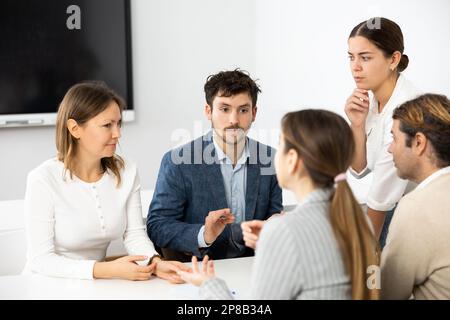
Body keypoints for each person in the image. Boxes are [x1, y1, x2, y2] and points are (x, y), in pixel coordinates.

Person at [177, 109, 380, 299]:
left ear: (292, 160)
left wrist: (209, 284)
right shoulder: (361, 222)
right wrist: (274, 244)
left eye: (280, 145)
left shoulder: (285, 230)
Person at [23, 81, 189, 281]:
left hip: (97, 285)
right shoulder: (43, 179)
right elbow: (41, 260)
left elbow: (134, 235)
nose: (117, 134)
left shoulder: (126, 171)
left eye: (119, 123)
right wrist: (105, 270)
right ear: (75, 129)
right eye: (107, 125)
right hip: (45, 285)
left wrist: (156, 263)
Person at [147, 69, 283, 261]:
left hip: (254, 266)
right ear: (208, 111)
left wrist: (276, 225)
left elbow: (273, 217)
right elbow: (158, 226)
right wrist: (205, 234)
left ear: (254, 113)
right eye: (224, 109)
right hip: (200, 267)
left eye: (243, 110)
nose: (234, 120)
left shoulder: (271, 159)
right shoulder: (178, 161)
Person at [345, 17, 421, 245]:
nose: (355, 67)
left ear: (393, 59)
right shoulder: (369, 99)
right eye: (351, 57)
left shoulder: (406, 110)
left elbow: (380, 199)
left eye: (365, 58)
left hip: (417, 218)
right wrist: (356, 125)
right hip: (393, 208)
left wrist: (365, 256)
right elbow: (359, 168)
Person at [381, 93, 450, 299]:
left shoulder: (416, 208)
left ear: (419, 142)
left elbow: (385, 293)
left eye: (394, 138)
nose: (389, 148)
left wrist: (368, 265)